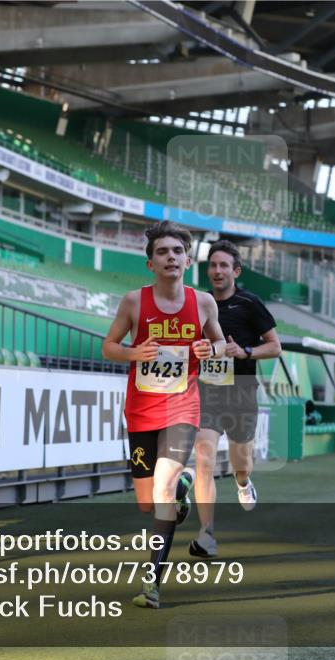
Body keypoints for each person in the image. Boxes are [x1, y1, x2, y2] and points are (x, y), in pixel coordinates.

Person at [102, 220, 227, 608]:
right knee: (147, 503)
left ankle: (151, 584)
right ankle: (185, 486)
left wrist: (213, 351)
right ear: (150, 264)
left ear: (187, 260)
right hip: (141, 410)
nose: (170, 257)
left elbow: (221, 342)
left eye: (177, 251)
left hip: (182, 407)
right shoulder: (134, 301)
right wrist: (132, 353)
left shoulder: (203, 302)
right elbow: (109, 345)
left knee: (162, 490)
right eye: (162, 252)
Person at [189, 240, 281, 559]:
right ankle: (206, 533)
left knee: (241, 463)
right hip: (208, 391)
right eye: (212, 265)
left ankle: (243, 482)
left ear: (235, 270)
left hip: (241, 389)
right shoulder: (197, 303)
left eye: (223, 265)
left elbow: (275, 346)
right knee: (204, 459)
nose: (217, 271)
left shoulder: (249, 303)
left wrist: (246, 351)